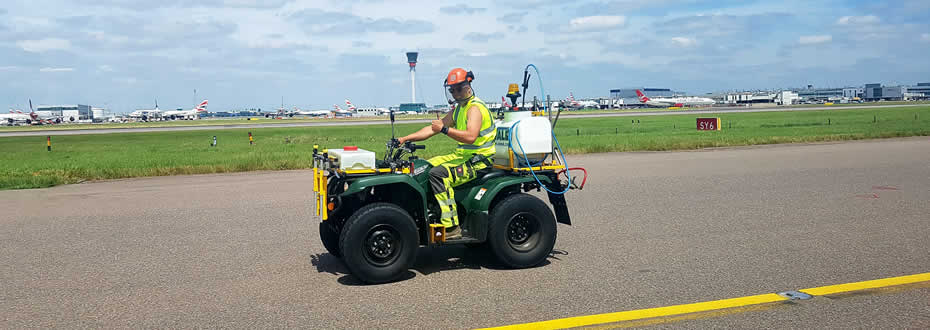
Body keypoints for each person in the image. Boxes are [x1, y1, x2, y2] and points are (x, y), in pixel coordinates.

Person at [397, 68, 496, 239]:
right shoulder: (459, 109)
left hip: (481, 160)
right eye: (452, 90)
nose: (455, 93)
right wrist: (405, 138)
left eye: (458, 89)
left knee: (439, 174)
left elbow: (471, 137)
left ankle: (452, 227)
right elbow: (431, 129)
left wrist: (444, 129)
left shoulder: (474, 108)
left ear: (468, 85)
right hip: (464, 156)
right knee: (425, 167)